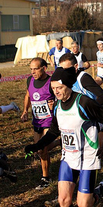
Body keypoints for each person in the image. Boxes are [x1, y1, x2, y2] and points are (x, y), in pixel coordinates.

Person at [24, 67, 103, 207]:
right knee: (63, 201)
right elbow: (54, 131)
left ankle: (101, 191)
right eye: (53, 88)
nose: (56, 91)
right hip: (68, 157)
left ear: (69, 86)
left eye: (60, 87)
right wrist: (38, 145)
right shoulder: (57, 105)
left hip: (87, 158)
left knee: (83, 204)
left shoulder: (84, 102)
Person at [21, 57, 55, 189]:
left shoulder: (51, 82)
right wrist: (25, 111)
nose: (33, 72)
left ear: (44, 68)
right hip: (37, 121)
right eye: (31, 69)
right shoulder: (30, 80)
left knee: (42, 149)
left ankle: (45, 178)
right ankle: (59, 143)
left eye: (35, 69)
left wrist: (55, 104)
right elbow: (28, 96)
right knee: (38, 148)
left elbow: (62, 97)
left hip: (49, 120)